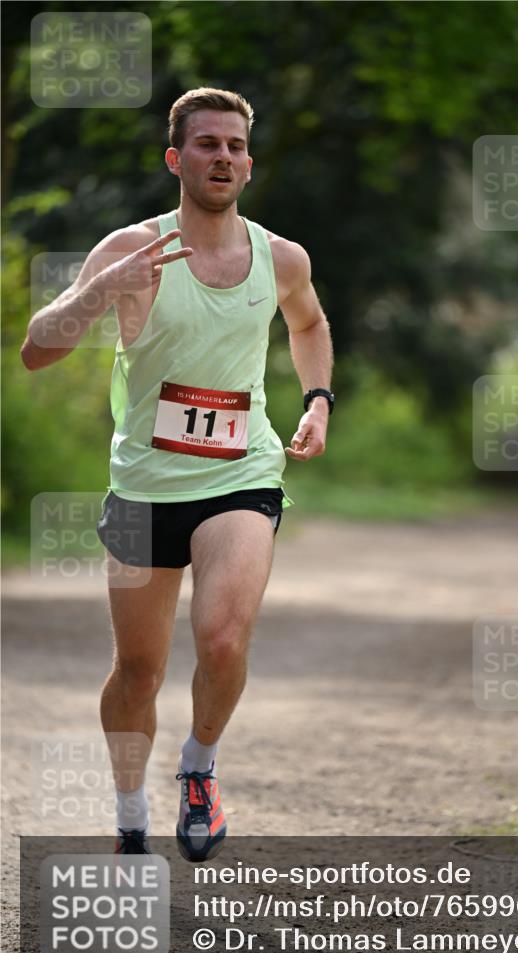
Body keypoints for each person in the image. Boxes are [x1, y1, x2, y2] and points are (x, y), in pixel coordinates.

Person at [20, 88, 334, 860]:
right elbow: (37, 348)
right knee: (138, 668)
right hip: (142, 488)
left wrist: (318, 401)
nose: (221, 156)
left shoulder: (282, 257)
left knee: (223, 639)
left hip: (240, 474)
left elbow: (310, 324)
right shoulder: (130, 250)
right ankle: (131, 810)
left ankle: (199, 768)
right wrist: (99, 290)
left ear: (248, 164)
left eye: (234, 146)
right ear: (175, 159)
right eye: (205, 145)